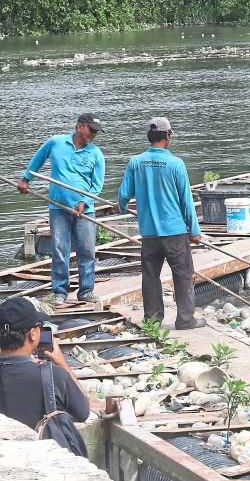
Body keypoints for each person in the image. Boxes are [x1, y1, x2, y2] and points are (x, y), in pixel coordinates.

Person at [117, 117, 206, 329]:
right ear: (168, 137)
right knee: (183, 276)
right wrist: (194, 231)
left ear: (150, 137)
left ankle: (152, 320)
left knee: (150, 277)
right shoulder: (175, 163)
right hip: (174, 232)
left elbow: (123, 194)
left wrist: (120, 208)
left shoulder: (136, 162)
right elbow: (186, 201)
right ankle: (185, 320)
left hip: (149, 234)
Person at [18, 114, 105, 306]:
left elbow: (97, 184)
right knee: (59, 249)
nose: (93, 135)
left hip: (85, 210)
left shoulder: (96, 153)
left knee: (87, 250)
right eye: (91, 130)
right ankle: (59, 291)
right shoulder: (56, 142)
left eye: (96, 132)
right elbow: (38, 159)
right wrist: (26, 179)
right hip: (58, 208)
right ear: (79, 127)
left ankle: (86, 291)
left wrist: (84, 201)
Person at [0, 297, 91, 456]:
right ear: (33, 334)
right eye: (39, 327)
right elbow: (83, 412)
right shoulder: (54, 375)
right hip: (43, 462)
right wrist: (61, 362)